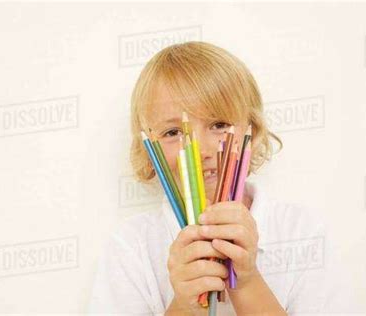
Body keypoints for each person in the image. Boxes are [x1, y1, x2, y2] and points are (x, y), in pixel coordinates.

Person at [88, 41, 328, 315]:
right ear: (149, 151)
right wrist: (184, 304)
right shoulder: (130, 246)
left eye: (219, 124)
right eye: (172, 133)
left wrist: (246, 282)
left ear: (253, 131)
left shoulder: (303, 232)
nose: (200, 150)